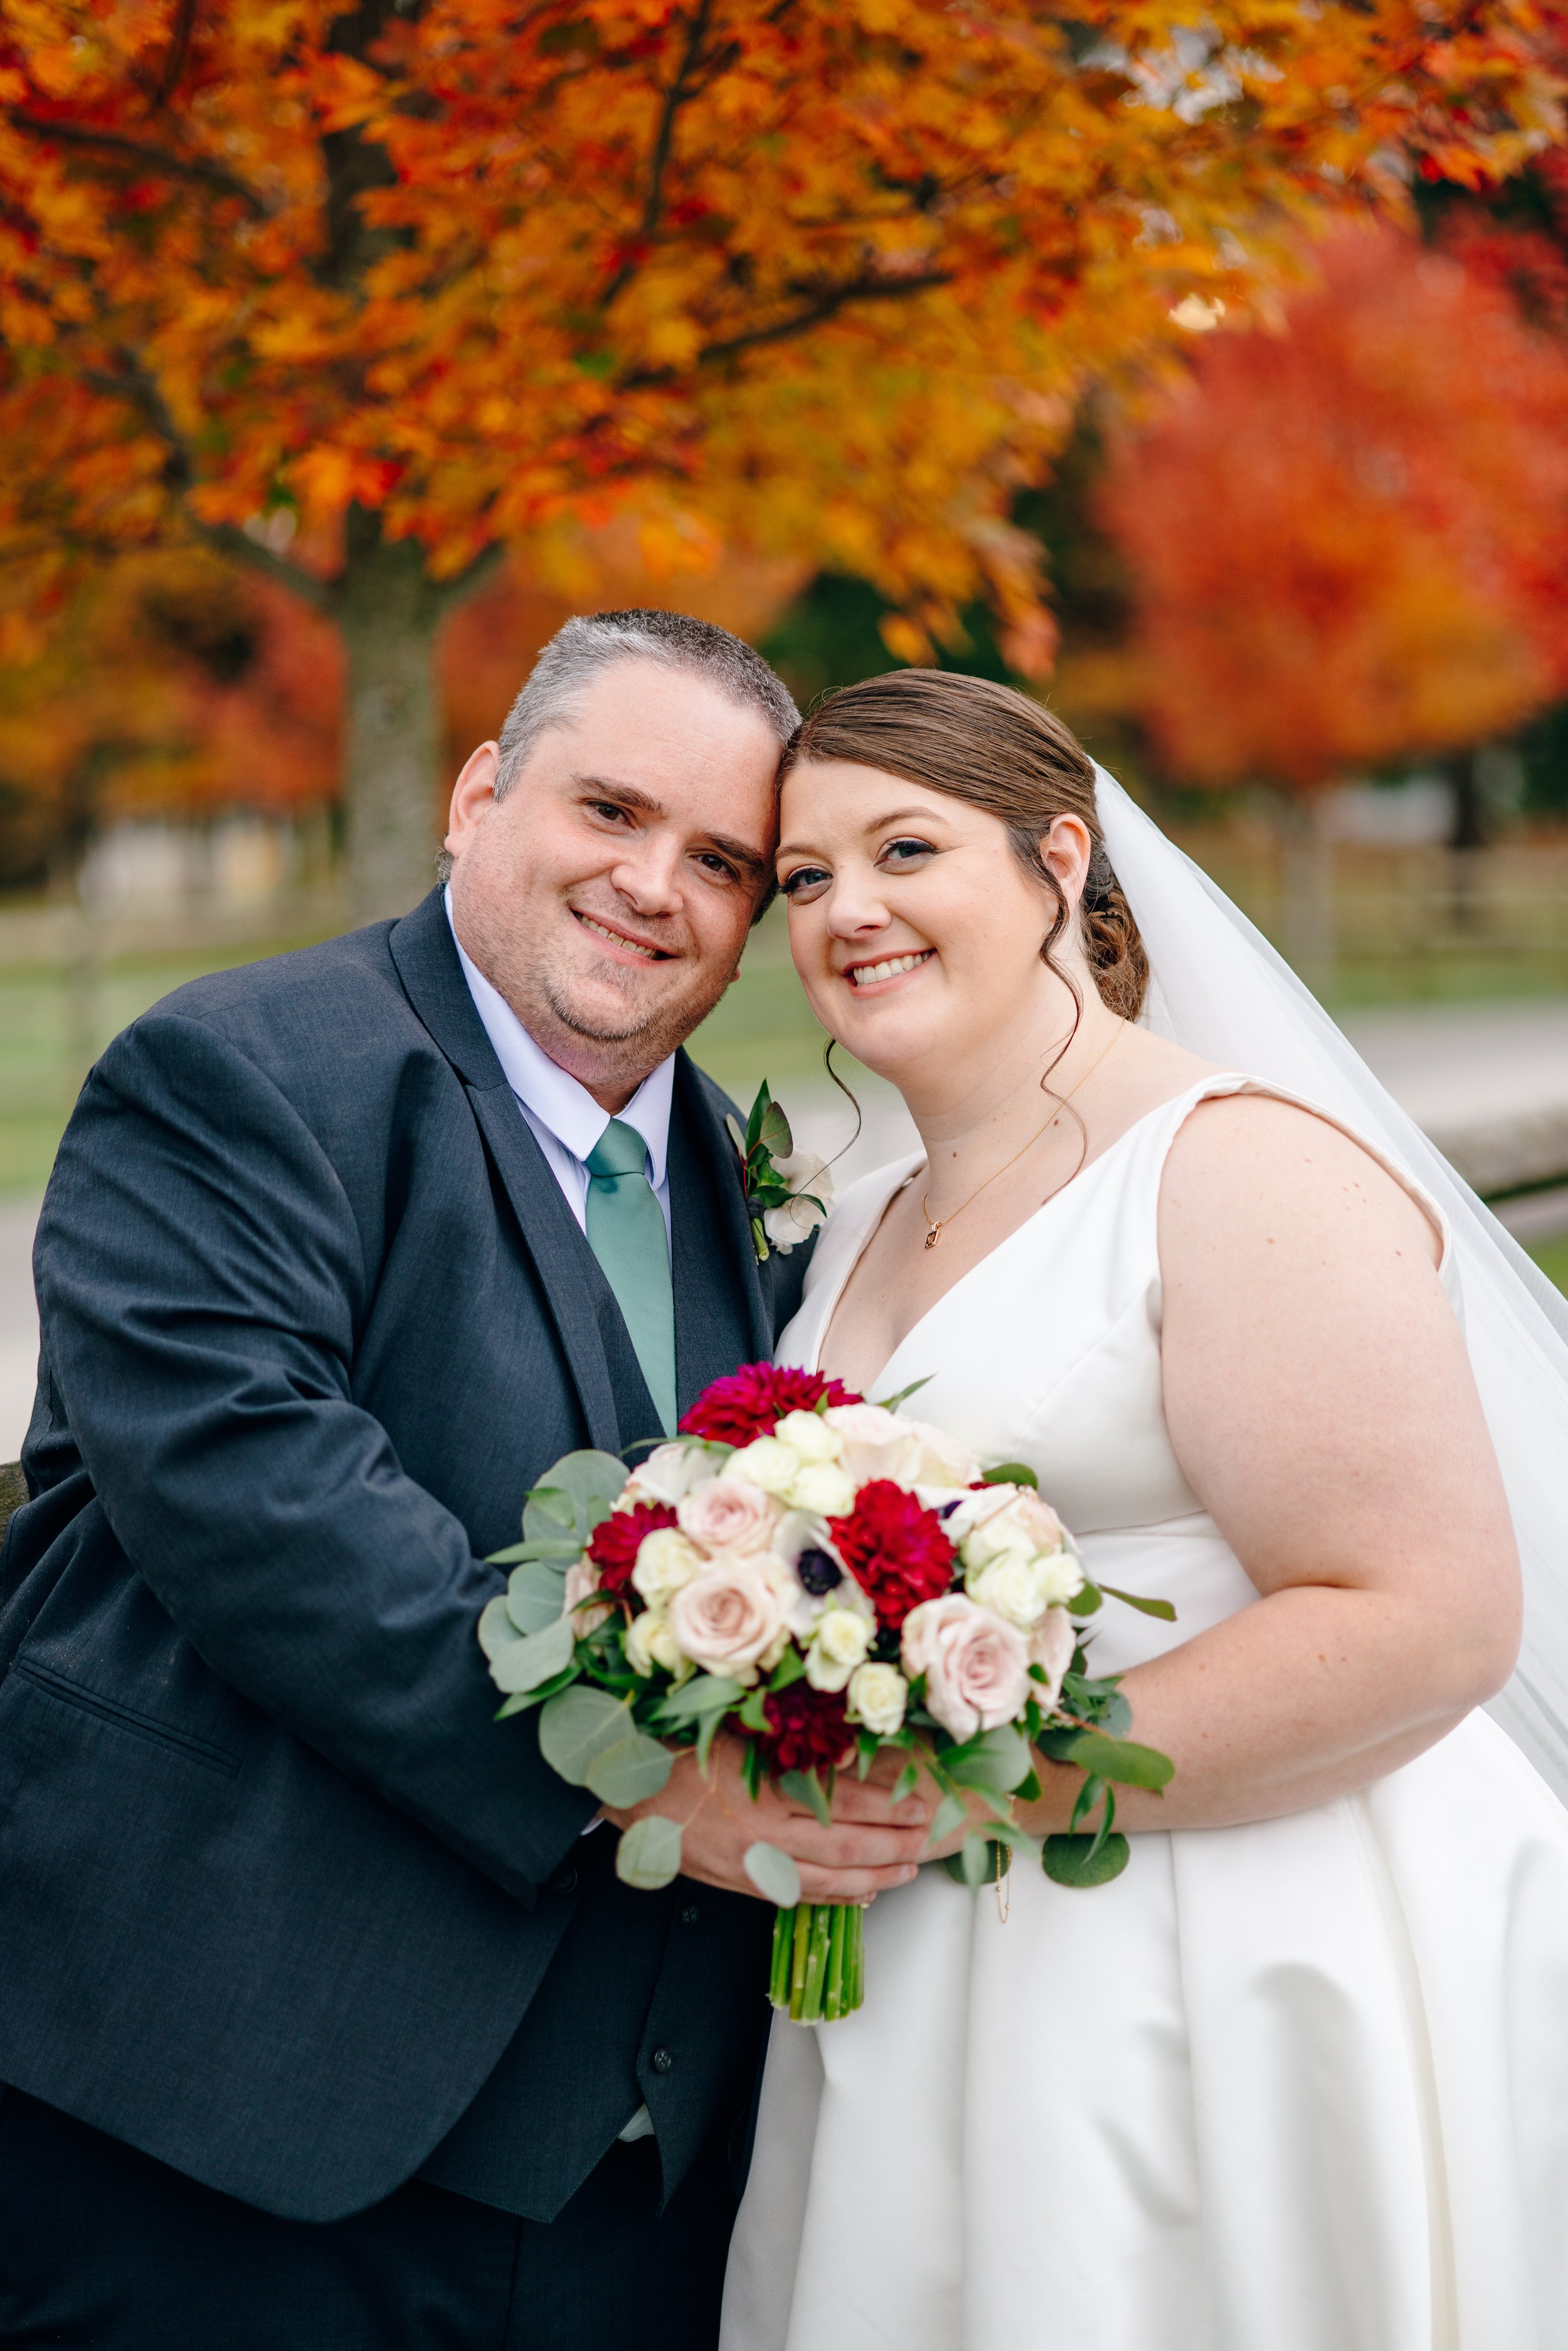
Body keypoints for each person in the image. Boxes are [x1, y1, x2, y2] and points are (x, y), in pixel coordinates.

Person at [0, 610, 931, 2351]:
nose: (655, 884)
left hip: (638, 2189)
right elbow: (266, 1509)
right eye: (609, 812)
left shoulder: (751, 1188)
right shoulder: (242, 1074)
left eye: (721, 859)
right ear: (478, 793)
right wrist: (656, 1785)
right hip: (227, 2132)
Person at [717, 668, 1568, 2351]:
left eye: (903, 848)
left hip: (1227, 1952)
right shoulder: (863, 1212)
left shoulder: (1235, 1165)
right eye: (803, 878)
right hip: (921, 1971)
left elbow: (1427, 1615)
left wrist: (970, 1781)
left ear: (1056, 857)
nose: (847, 909)